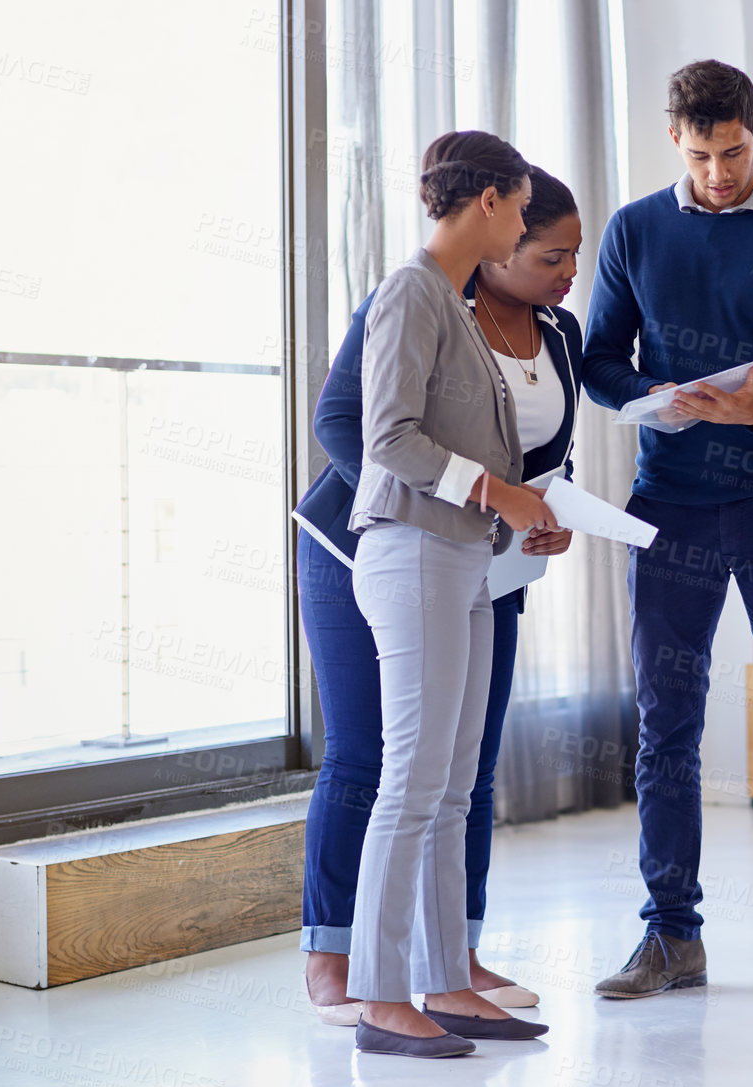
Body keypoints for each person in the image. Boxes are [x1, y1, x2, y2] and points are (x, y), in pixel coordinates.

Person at [583, 60, 753, 1000]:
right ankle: (669, 936)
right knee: (665, 725)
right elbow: (597, 362)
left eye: (733, 151)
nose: (716, 172)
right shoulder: (634, 229)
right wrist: (650, 397)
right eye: (700, 154)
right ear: (675, 139)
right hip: (667, 501)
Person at [294, 168, 587, 1026]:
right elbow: (367, 430)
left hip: (477, 552)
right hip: (381, 542)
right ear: (495, 211)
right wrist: (468, 499)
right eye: (547, 247)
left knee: (458, 772)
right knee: (379, 759)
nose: (566, 269)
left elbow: (520, 455)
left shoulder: (535, 328)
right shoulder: (416, 295)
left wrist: (533, 512)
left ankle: (445, 966)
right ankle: (345, 960)